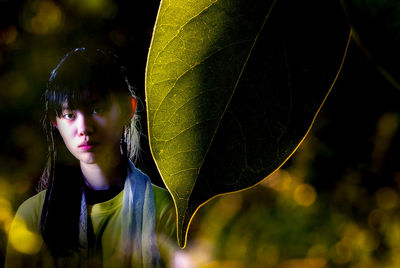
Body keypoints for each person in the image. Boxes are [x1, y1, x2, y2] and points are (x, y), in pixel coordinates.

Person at [5, 48, 176, 268]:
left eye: (97, 108)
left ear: (128, 109)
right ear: (55, 122)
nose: (84, 128)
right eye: (70, 115)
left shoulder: (164, 209)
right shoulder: (33, 216)